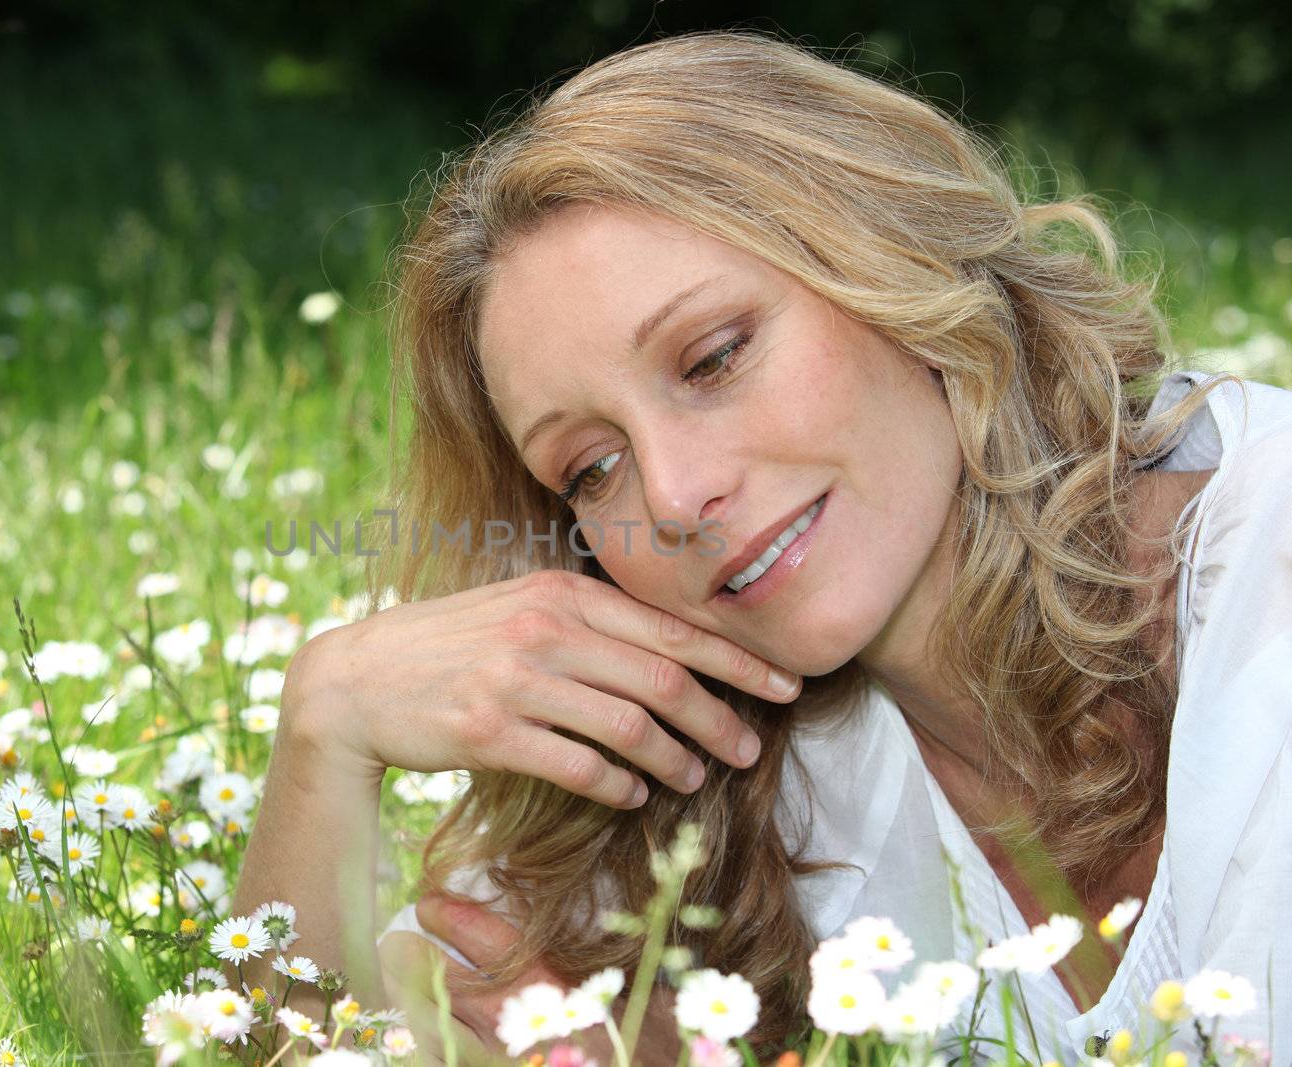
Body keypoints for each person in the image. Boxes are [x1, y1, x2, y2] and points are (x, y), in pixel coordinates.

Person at [231, 28, 1292, 1064]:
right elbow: (313, 1046)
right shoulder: (729, 753)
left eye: (713, 359)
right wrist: (324, 731)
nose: (678, 494)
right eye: (590, 469)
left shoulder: (1266, 562)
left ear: (891, 258)